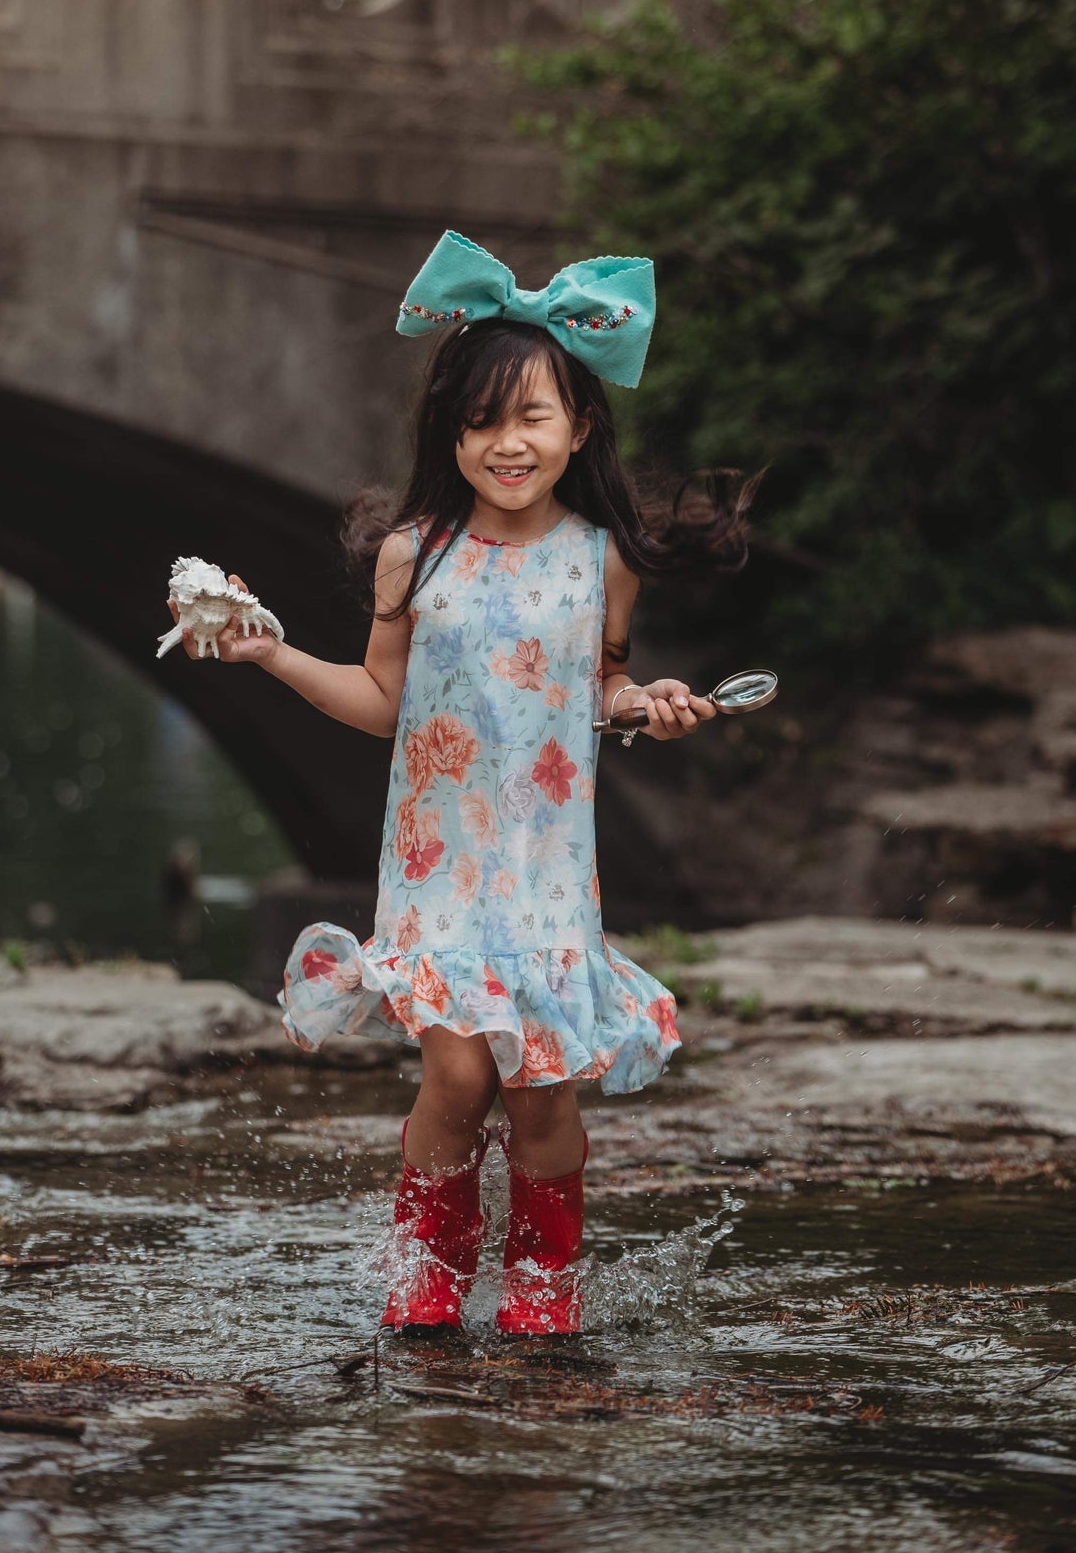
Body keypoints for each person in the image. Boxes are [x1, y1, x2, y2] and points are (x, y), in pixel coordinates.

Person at [169, 231, 751, 1337]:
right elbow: (384, 700)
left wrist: (646, 704)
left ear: (578, 428)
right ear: (451, 432)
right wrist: (271, 653)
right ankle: (424, 1275)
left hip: (542, 877)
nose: (506, 441)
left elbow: (604, 684)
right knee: (455, 1077)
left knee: (539, 1094)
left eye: (531, 416)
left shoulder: (600, 558)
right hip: (437, 868)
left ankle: (543, 1285)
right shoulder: (413, 554)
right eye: (481, 419)